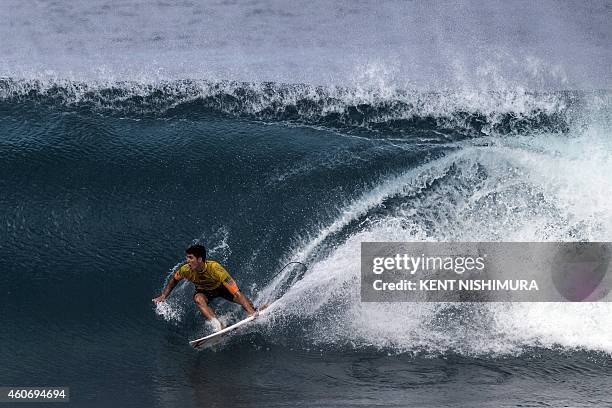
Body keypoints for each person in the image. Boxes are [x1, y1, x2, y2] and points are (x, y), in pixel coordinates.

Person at [153, 244, 259, 331]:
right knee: (198, 299)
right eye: (187, 257)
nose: (187, 260)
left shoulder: (215, 268)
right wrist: (164, 295)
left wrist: (250, 311)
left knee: (247, 304)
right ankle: (218, 325)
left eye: (190, 258)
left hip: (221, 289)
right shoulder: (185, 270)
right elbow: (174, 280)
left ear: (199, 259)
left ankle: (255, 310)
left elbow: (235, 291)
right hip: (204, 292)